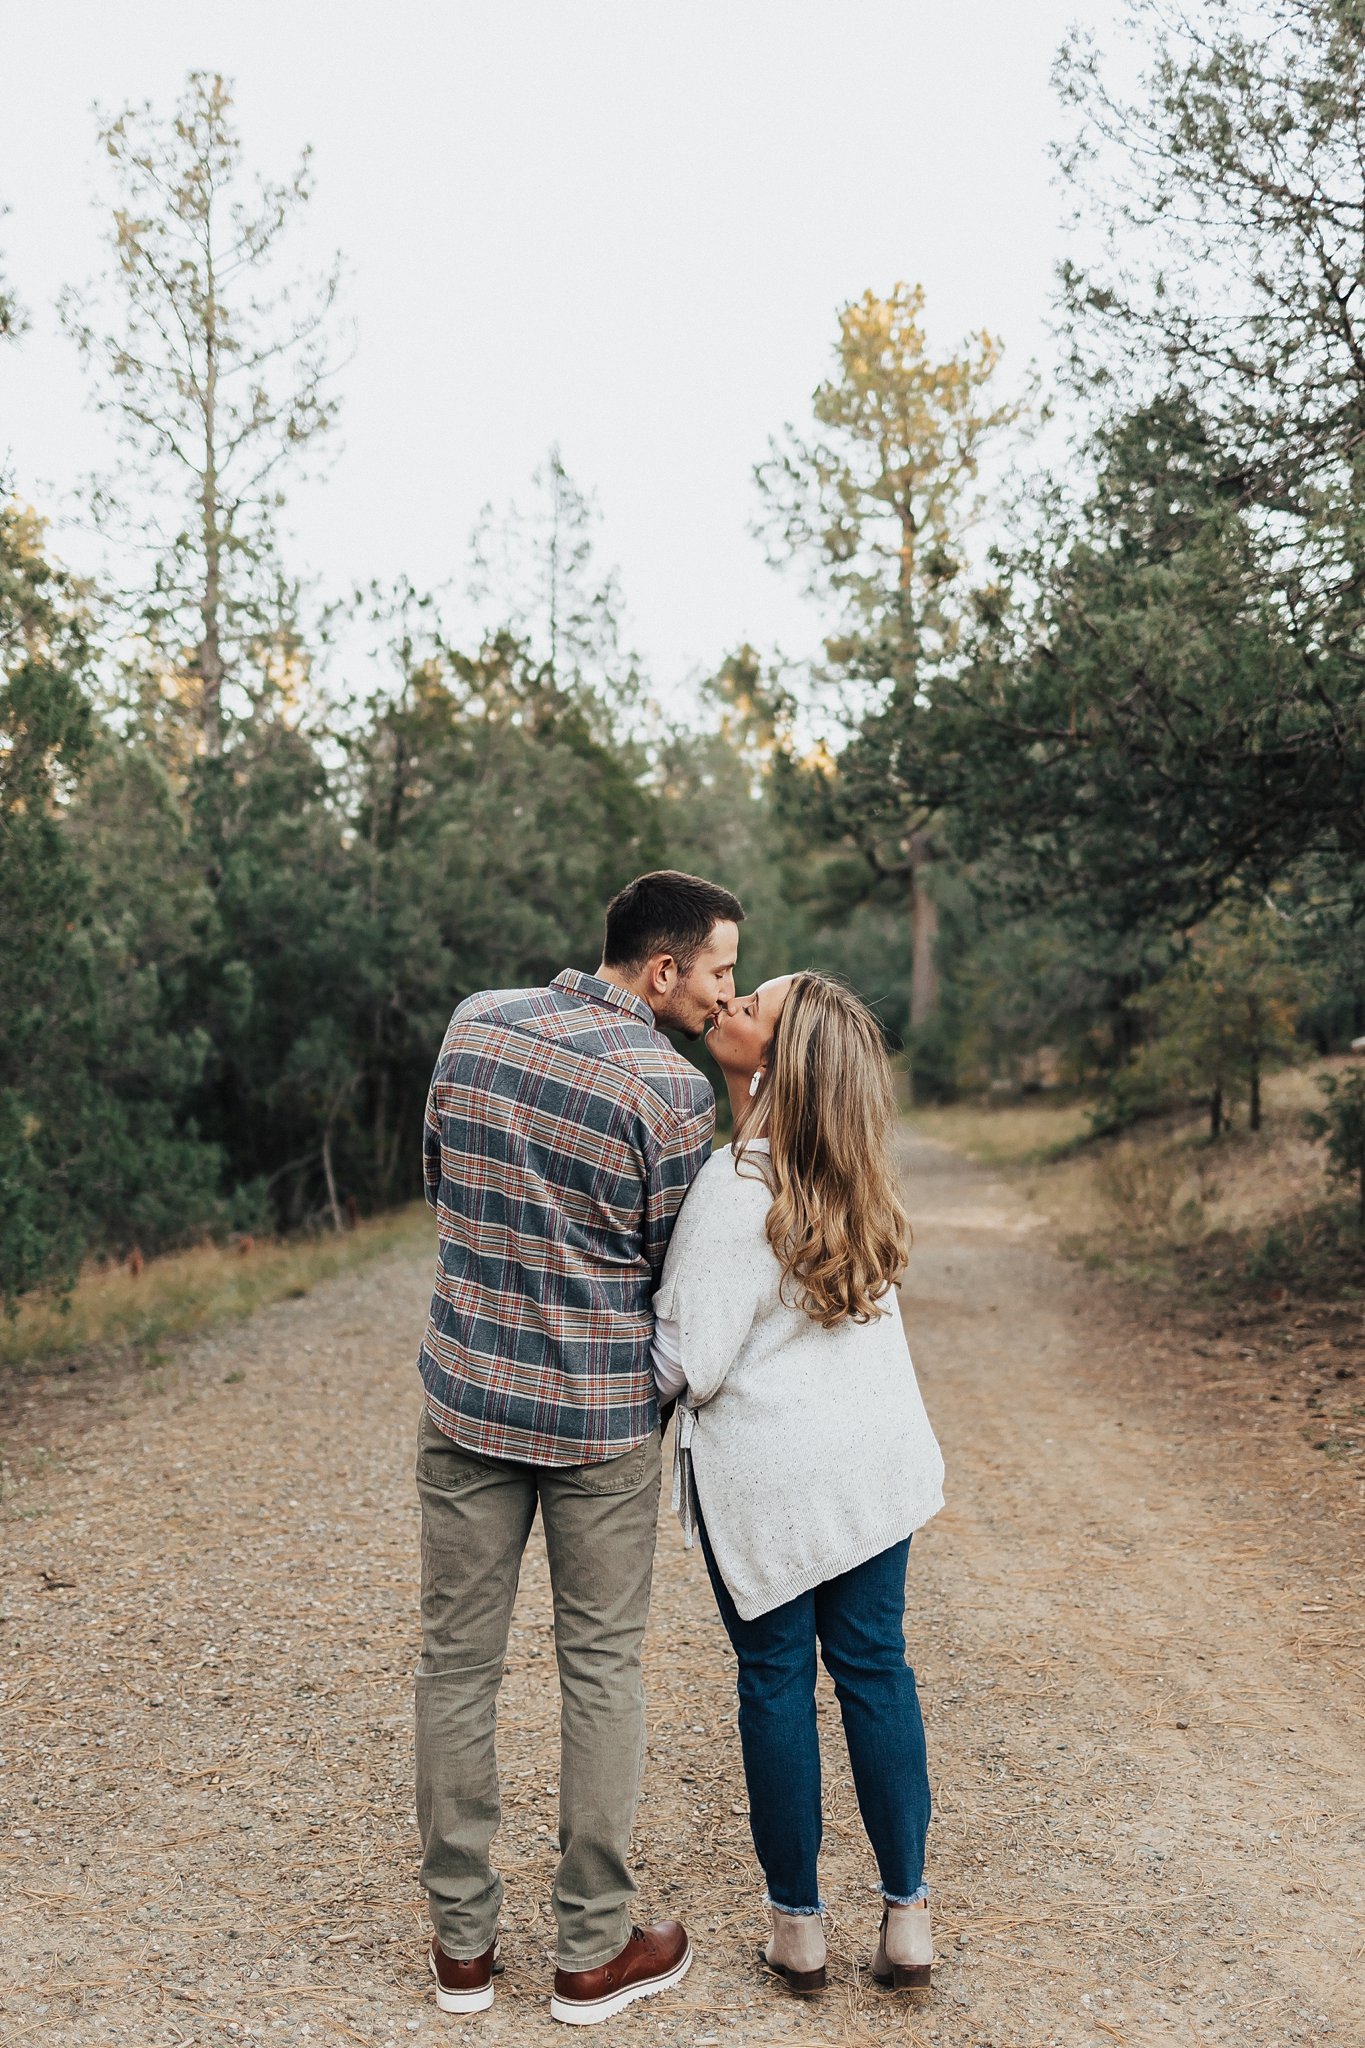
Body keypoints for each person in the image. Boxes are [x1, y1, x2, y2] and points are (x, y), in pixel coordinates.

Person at [414, 871, 743, 2025]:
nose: (725, 992)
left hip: (467, 1398)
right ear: (663, 969)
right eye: (718, 970)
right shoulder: (671, 1088)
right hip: (601, 1423)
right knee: (601, 1667)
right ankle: (591, 1949)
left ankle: (462, 1949)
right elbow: (672, 1270)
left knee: (456, 1663)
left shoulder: (474, 1020)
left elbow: (441, 1183)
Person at [652, 972, 944, 1998]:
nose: (727, 1006)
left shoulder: (737, 1188)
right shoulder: (856, 1174)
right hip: (874, 1463)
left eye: (752, 1006)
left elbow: (688, 1358)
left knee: (775, 1680)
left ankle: (799, 1928)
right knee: (876, 1666)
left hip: (774, 1476)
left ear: (778, 1061)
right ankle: (907, 1916)